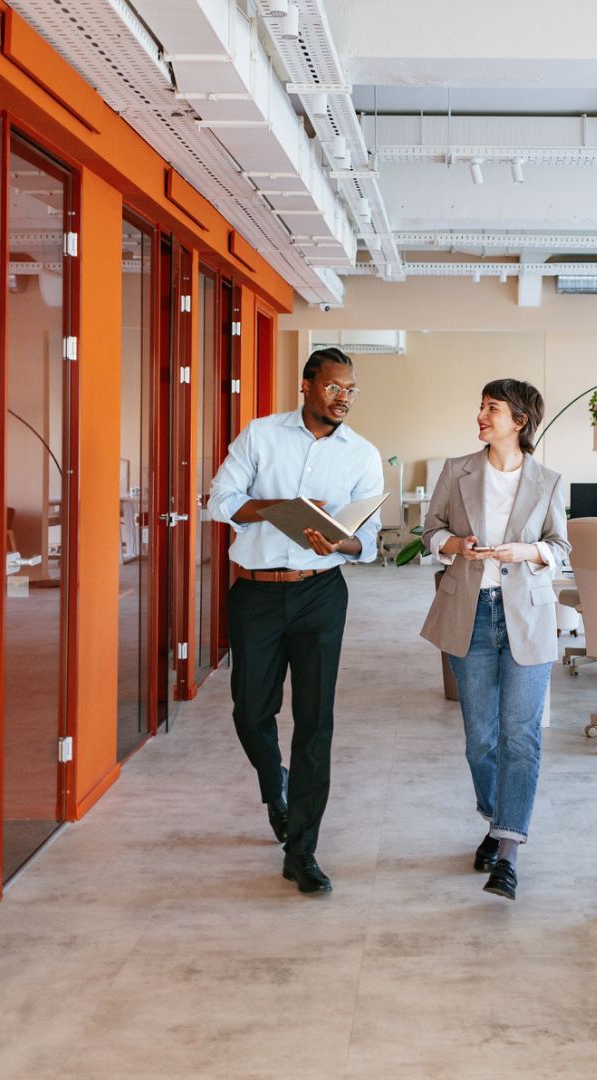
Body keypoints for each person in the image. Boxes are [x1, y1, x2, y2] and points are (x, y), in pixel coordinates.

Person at [207, 346, 384, 895]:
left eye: (351, 390)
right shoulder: (260, 436)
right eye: (334, 387)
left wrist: (342, 538)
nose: (343, 398)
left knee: (314, 723)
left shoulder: (363, 454)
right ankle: (273, 785)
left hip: (321, 595)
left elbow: (369, 543)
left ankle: (302, 850)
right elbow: (220, 501)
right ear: (307, 385)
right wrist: (281, 506)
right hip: (256, 594)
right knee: (250, 711)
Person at [421, 379, 571, 902]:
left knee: (520, 737)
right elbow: (429, 532)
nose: (481, 415)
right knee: (481, 740)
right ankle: (495, 819)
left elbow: (559, 546)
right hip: (472, 615)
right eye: (482, 406)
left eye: (492, 408)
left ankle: (507, 852)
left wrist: (527, 553)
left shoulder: (549, 481)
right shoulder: (456, 470)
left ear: (519, 421)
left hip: (526, 618)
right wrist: (454, 544)